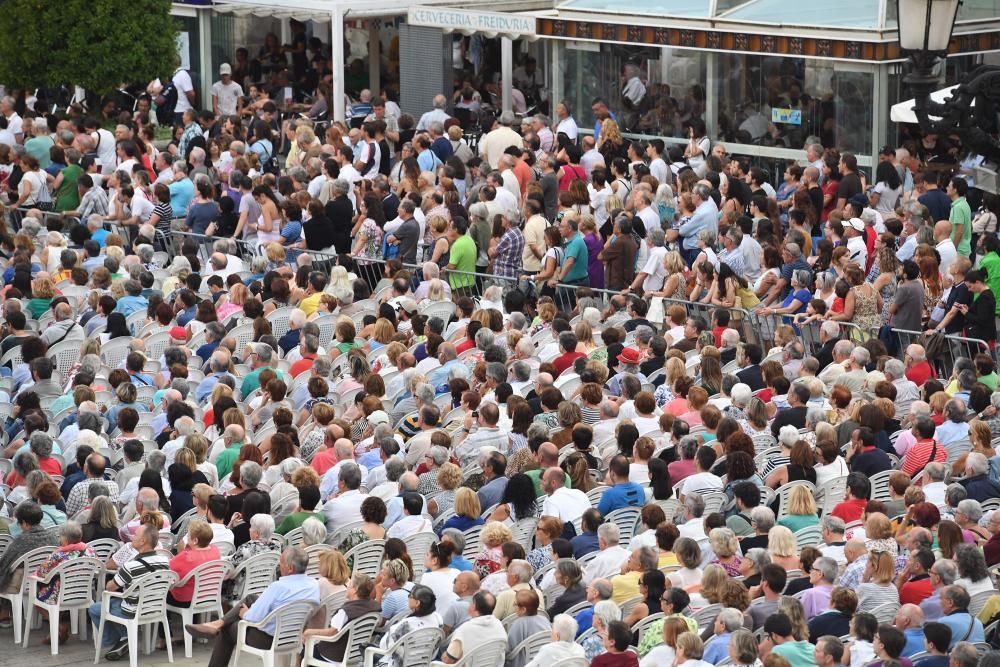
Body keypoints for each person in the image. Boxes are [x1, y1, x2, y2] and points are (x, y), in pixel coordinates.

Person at [185, 546, 321, 667]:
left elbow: (253, 618)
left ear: (290, 568)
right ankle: (217, 623)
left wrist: (245, 613)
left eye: (281, 562)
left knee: (228, 629)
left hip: (267, 639)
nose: (279, 565)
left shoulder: (278, 587)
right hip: (292, 635)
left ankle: (218, 626)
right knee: (250, 598)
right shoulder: (314, 585)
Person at [87, 522, 170, 660]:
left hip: (132, 610)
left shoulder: (130, 566)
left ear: (143, 541)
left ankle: (119, 641)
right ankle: (125, 639)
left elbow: (110, 587)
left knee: (95, 608)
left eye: (135, 535)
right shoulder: (165, 561)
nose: (132, 537)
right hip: (155, 608)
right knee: (116, 602)